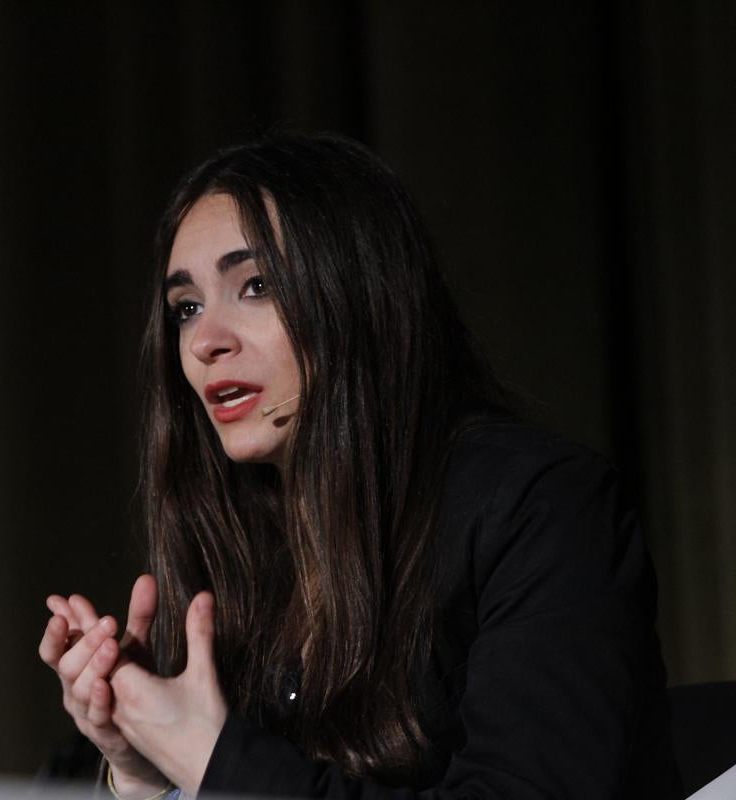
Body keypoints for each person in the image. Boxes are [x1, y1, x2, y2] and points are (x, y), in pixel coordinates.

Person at [38, 132, 680, 799]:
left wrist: (211, 758)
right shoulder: (231, 541)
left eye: (255, 286)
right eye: (187, 308)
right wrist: (144, 772)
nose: (204, 342)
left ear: (358, 293)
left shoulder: (538, 507)